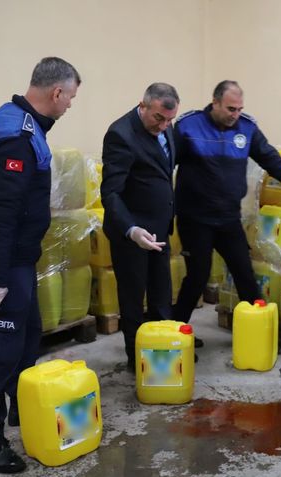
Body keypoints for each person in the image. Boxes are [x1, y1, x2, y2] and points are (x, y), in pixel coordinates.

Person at [0, 57, 81, 473]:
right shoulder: (16, 135)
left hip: (17, 260)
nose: (69, 108)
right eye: (70, 99)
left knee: (27, 338)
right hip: (3, 263)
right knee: (1, 352)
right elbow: (0, 212)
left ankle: (21, 411)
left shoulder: (24, 125)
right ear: (57, 93)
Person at [172, 80, 281, 342]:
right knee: (197, 276)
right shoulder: (188, 126)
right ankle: (175, 333)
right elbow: (164, 165)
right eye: (230, 108)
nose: (235, 114)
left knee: (244, 272)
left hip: (228, 218)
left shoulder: (247, 128)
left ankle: (261, 334)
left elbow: (270, 158)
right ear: (215, 102)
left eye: (239, 109)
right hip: (194, 218)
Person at [101, 83, 180, 371]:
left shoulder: (165, 127)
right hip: (132, 233)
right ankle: (138, 361)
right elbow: (111, 192)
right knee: (133, 298)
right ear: (143, 105)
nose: (164, 125)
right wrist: (132, 229)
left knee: (161, 294)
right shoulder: (120, 135)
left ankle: (162, 353)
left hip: (158, 228)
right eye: (158, 117)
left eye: (169, 120)